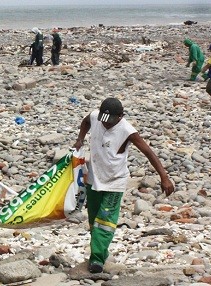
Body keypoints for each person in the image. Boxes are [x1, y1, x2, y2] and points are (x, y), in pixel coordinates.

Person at [73, 98, 174, 274]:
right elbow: (86, 121)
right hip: (94, 178)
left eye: (109, 120)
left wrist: (164, 177)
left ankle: (96, 259)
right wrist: (80, 139)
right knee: (93, 219)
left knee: (105, 221)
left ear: (120, 117)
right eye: (103, 119)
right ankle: (101, 252)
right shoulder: (97, 117)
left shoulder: (127, 131)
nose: (105, 123)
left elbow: (148, 152)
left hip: (115, 181)